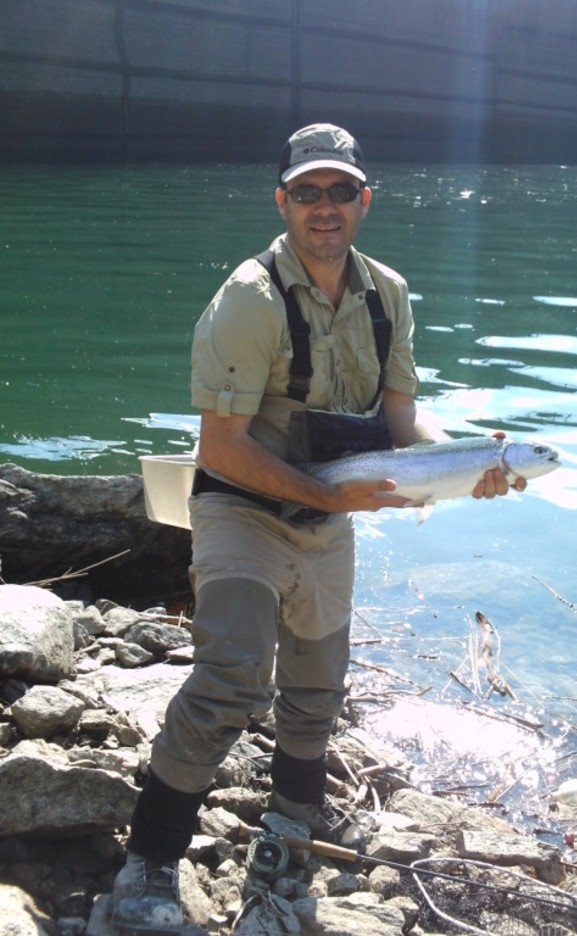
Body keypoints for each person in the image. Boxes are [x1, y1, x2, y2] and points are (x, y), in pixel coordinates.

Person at [111, 122, 525, 931]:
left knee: (315, 694)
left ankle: (290, 837)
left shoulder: (388, 295)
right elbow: (221, 449)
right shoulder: (248, 298)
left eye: (340, 191)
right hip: (242, 505)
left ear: (364, 200)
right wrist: (336, 500)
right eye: (307, 192)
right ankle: (150, 862)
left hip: (331, 513)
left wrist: (471, 462)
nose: (324, 207)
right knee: (232, 674)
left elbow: (403, 425)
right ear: (284, 202)